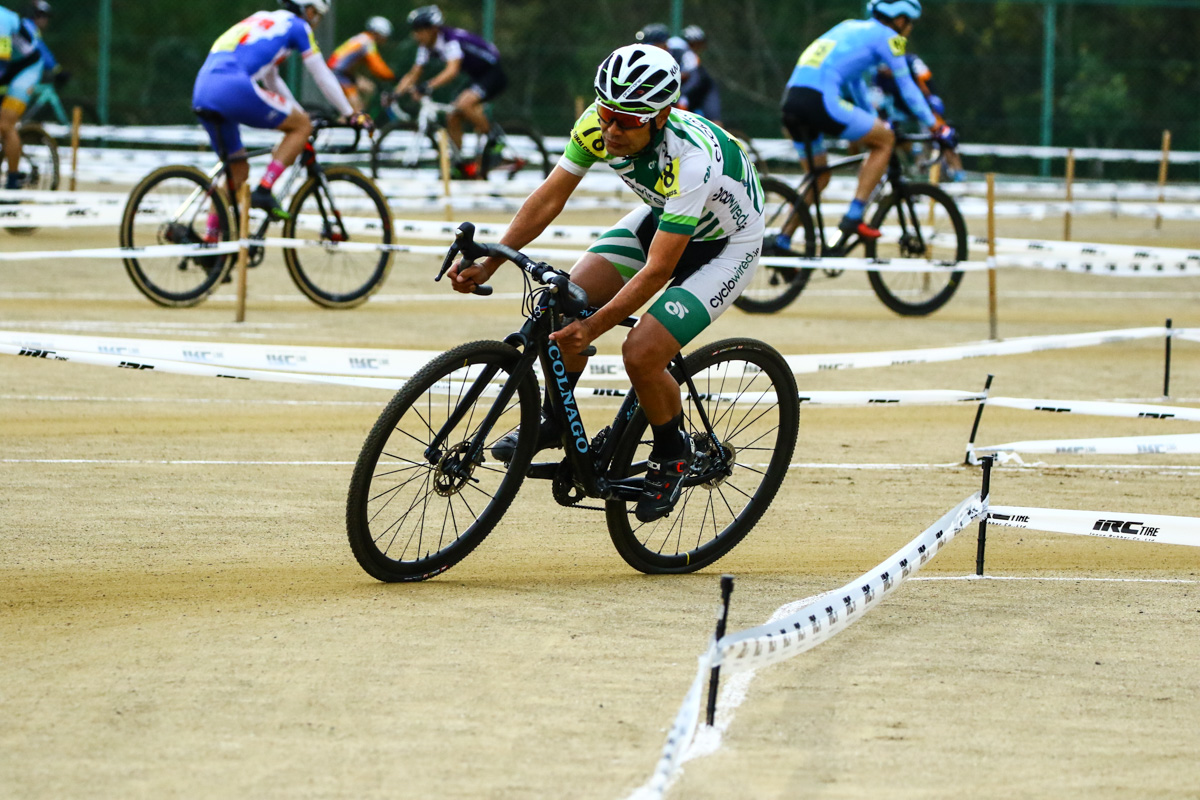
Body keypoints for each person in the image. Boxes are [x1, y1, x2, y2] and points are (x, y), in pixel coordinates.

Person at [447, 44, 765, 522]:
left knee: (641, 352)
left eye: (628, 121)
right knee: (563, 299)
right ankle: (555, 420)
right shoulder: (599, 125)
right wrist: (492, 259)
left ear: (660, 117)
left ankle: (672, 452)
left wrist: (593, 329)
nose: (612, 129)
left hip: (726, 242)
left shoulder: (691, 159)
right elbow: (550, 197)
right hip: (665, 215)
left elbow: (658, 270)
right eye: (607, 113)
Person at [779, 0, 955, 243]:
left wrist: (873, 121)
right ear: (900, 20)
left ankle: (782, 240)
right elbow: (907, 86)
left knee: (817, 177)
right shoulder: (889, 37)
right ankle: (854, 216)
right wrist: (937, 126)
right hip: (820, 100)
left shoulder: (849, 27)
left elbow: (855, 84)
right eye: (910, 23)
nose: (910, 29)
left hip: (792, 99)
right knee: (885, 141)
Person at [191, 0, 369, 221]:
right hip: (233, 86)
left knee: (236, 172)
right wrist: (350, 113)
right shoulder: (297, 26)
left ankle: (210, 242)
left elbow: (272, 79)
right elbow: (321, 73)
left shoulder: (264, 19)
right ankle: (264, 190)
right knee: (302, 126)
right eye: (318, 15)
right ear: (310, 10)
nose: (317, 22)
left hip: (203, 89)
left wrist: (298, 111)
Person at [393, 5, 505, 177]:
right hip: (477, 75)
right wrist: (395, 93)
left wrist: (428, 86)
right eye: (414, 30)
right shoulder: (425, 47)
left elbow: (452, 71)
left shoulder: (450, 39)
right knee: (452, 115)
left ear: (433, 29)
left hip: (493, 72)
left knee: (464, 104)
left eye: (419, 30)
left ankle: (494, 140)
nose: (416, 35)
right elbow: (414, 73)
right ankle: (459, 164)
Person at [0, 1, 52, 189]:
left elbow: (2, 63)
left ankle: (13, 181)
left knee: (5, 125)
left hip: (26, 69)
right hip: (8, 67)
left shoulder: (2, 20)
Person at [328, 16, 396, 113]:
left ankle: (357, 113)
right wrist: (391, 76)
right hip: (339, 73)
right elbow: (377, 66)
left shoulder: (362, 38)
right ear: (378, 34)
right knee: (355, 109)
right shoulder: (367, 42)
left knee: (369, 88)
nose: (385, 41)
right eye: (384, 37)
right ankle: (353, 116)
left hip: (345, 73)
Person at [680, 25, 721, 125]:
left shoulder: (692, 58)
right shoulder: (680, 53)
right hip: (688, 93)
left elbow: (694, 80)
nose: (698, 47)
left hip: (703, 92)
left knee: (715, 122)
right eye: (694, 44)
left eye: (699, 44)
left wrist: (682, 94)